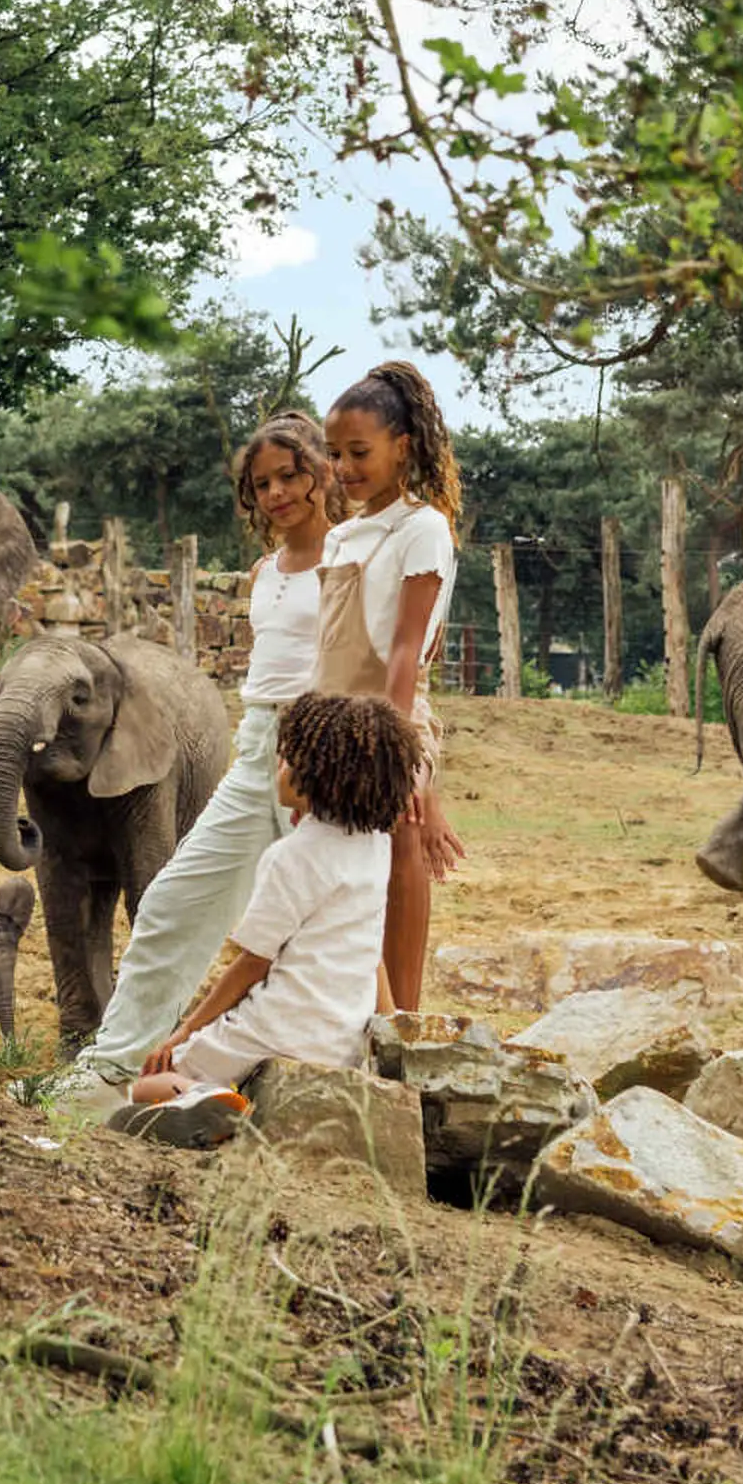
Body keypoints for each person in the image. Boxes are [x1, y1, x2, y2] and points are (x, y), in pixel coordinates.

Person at [25, 413, 346, 1121]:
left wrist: (336, 760)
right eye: (262, 483)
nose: (277, 493)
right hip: (256, 744)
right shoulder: (266, 572)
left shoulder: (351, 559)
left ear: (324, 471)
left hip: (319, 751)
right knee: (171, 901)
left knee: (314, 923)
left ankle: (327, 1075)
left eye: (291, 475)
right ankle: (108, 1070)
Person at [112, 691, 418, 1145]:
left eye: (285, 759)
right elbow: (372, 954)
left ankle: (206, 1096)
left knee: (137, 1087)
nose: (278, 767)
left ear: (313, 777)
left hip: (274, 1028)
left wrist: (184, 1033)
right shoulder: (376, 847)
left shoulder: (290, 857)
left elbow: (253, 965)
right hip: (341, 1042)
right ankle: (236, 1104)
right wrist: (392, 1030)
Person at [319, 360, 468, 1010]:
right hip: (329, 713)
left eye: (359, 452)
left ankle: (402, 1015)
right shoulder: (341, 535)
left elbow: (405, 653)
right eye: (334, 455)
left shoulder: (423, 529)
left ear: (402, 448)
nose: (344, 468)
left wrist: (400, 762)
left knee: (400, 826)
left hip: (396, 715)